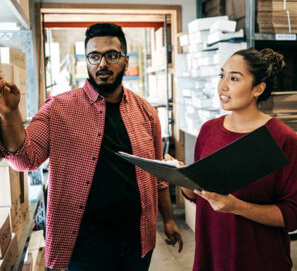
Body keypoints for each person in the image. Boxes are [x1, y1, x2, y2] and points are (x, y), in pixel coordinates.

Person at [0, 23, 183, 270]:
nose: (102, 64)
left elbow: (159, 174)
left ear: (125, 61)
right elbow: (25, 160)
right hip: (83, 243)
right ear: (86, 61)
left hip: (136, 239)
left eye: (112, 55)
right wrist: (10, 114)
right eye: (94, 56)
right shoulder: (59, 108)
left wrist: (169, 220)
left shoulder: (146, 112)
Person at [180, 48, 297, 271]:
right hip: (212, 259)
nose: (223, 86)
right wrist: (183, 178)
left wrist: (237, 206)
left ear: (258, 88)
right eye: (221, 75)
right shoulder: (209, 130)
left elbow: (293, 215)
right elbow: (200, 198)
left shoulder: (283, 139)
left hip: (260, 261)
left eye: (234, 78)